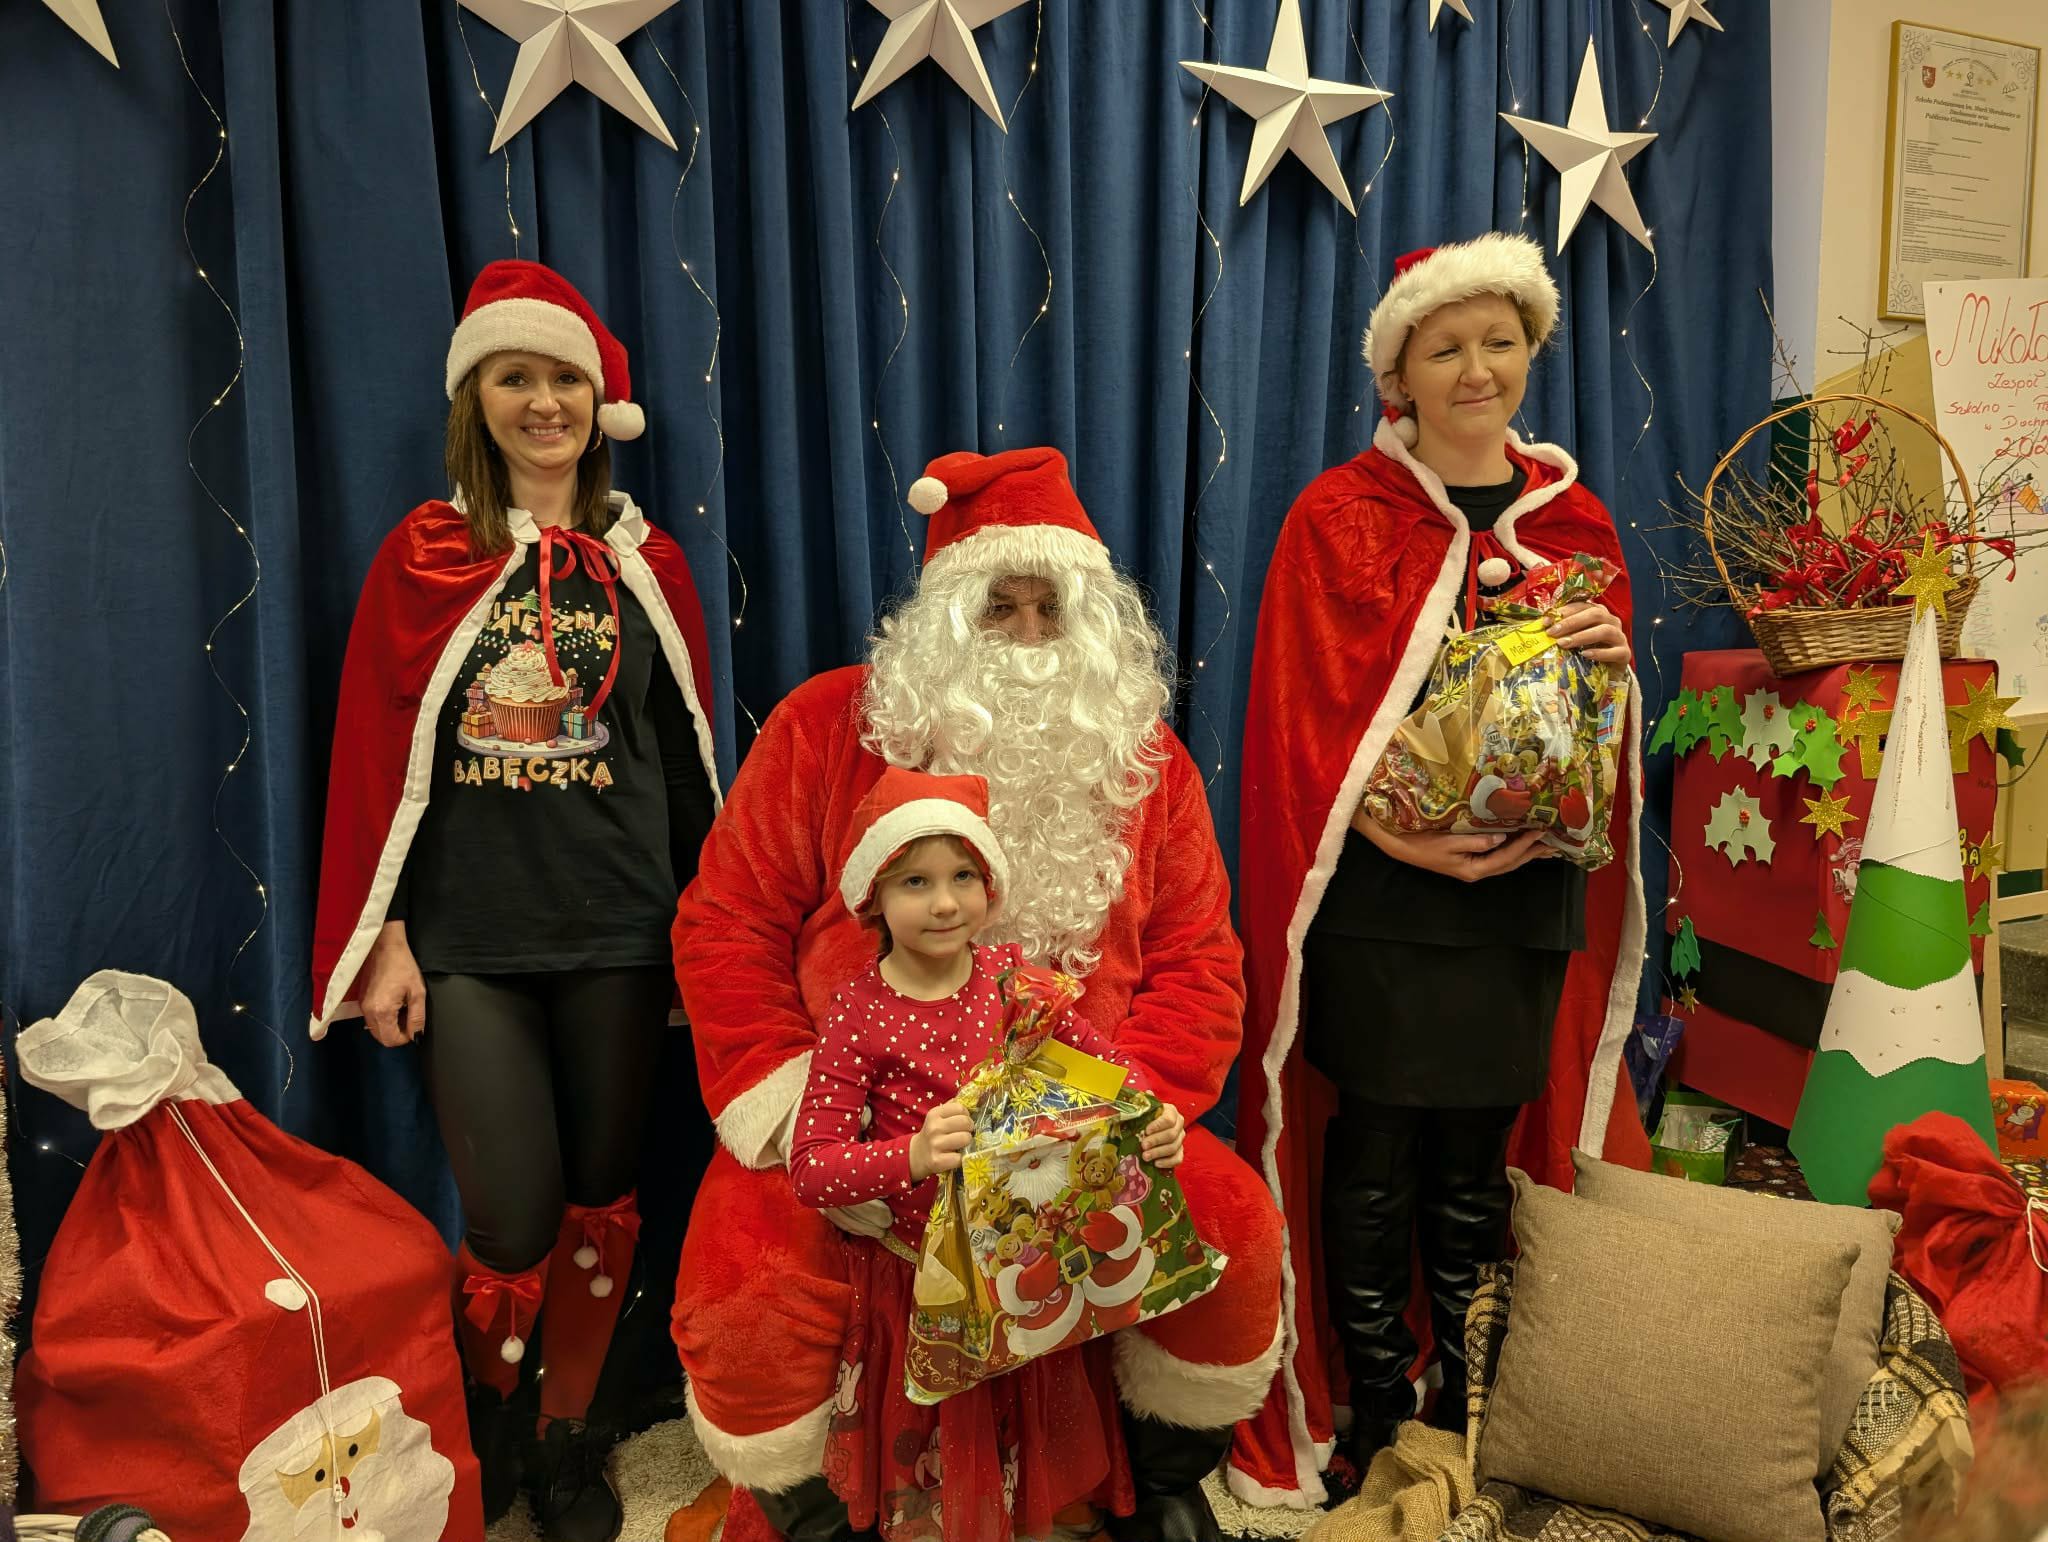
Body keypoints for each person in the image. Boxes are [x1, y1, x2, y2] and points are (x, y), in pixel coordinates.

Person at [671, 447, 1285, 1542]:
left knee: (1234, 1227)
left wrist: (1126, 1109)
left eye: (1053, 608)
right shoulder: (827, 725)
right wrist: (797, 1107)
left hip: (1083, 1107)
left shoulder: (1144, 761)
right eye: (1000, 607)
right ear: (947, 620)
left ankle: (1157, 1479)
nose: (1031, 636)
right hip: (852, 1100)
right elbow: (726, 925)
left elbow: (1199, 961)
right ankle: (818, 1512)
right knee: (747, 1283)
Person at [1230, 233, 1652, 1507]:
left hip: (1522, 896)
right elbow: (1299, 723)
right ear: (1396, 375)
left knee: (1476, 1162)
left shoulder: (1573, 525)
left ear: (1530, 351)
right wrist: (1393, 835)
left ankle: (1464, 1403)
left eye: (1499, 342)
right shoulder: (1335, 518)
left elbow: (1592, 737)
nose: (1476, 370)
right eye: (1444, 348)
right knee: (1373, 1151)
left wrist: (1611, 663)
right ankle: (1373, 1410)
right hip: (1380, 902)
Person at [310, 260, 721, 1541]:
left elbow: (687, 763)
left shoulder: (645, 563)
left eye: (564, 381)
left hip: (621, 932)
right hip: (471, 941)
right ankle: (490, 1428)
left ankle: (569, 1440)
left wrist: (716, 936)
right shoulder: (425, 556)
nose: (544, 403)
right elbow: (376, 760)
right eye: (514, 377)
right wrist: (383, 936)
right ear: (474, 400)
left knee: (604, 1196)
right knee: (512, 1215)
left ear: (599, 406)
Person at [789, 765, 1189, 1541]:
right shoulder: (858, 1012)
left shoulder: (1014, 981)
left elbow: (1103, 1063)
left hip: (1019, 1263)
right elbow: (812, 1168)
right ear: (874, 896)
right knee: (942, 1467)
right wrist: (910, 1155)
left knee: (1024, 1452)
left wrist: (1153, 1114)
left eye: (963, 876)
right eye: (916, 881)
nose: (945, 902)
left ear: (989, 885)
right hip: (923, 1278)